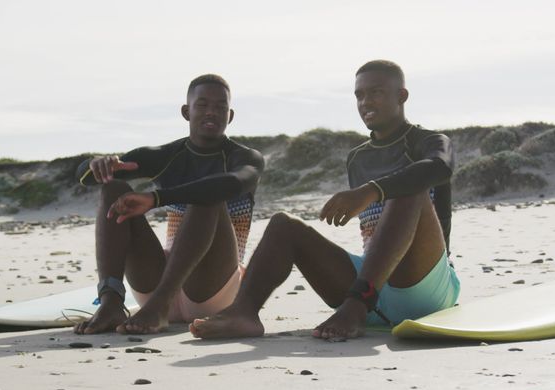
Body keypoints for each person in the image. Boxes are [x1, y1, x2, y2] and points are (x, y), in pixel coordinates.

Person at [191, 60, 459, 340]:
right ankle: (243, 313)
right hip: (372, 291)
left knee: (410, 188)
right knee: (284, 226)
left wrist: (370, 191)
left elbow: (439, 167)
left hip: (424, 288)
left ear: (401, 96)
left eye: (376, 92)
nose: (366, 102)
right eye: (359, 95)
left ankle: (356, 306)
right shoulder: (357, 157)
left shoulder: (431, 142)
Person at [73, 74, 264, 335]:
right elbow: (86, 177)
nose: (212, 112)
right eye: (203, 104)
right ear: (186, 111)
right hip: (158, 284)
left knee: (208, 194)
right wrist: (96, 164)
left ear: (230, 116)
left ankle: (161, 306)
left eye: (221, 107)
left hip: (213, 292)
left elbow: (229, 184)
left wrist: (156, 199)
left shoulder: (246, 158)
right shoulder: (166, 156)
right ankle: (111, 302)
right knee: (113, 188)